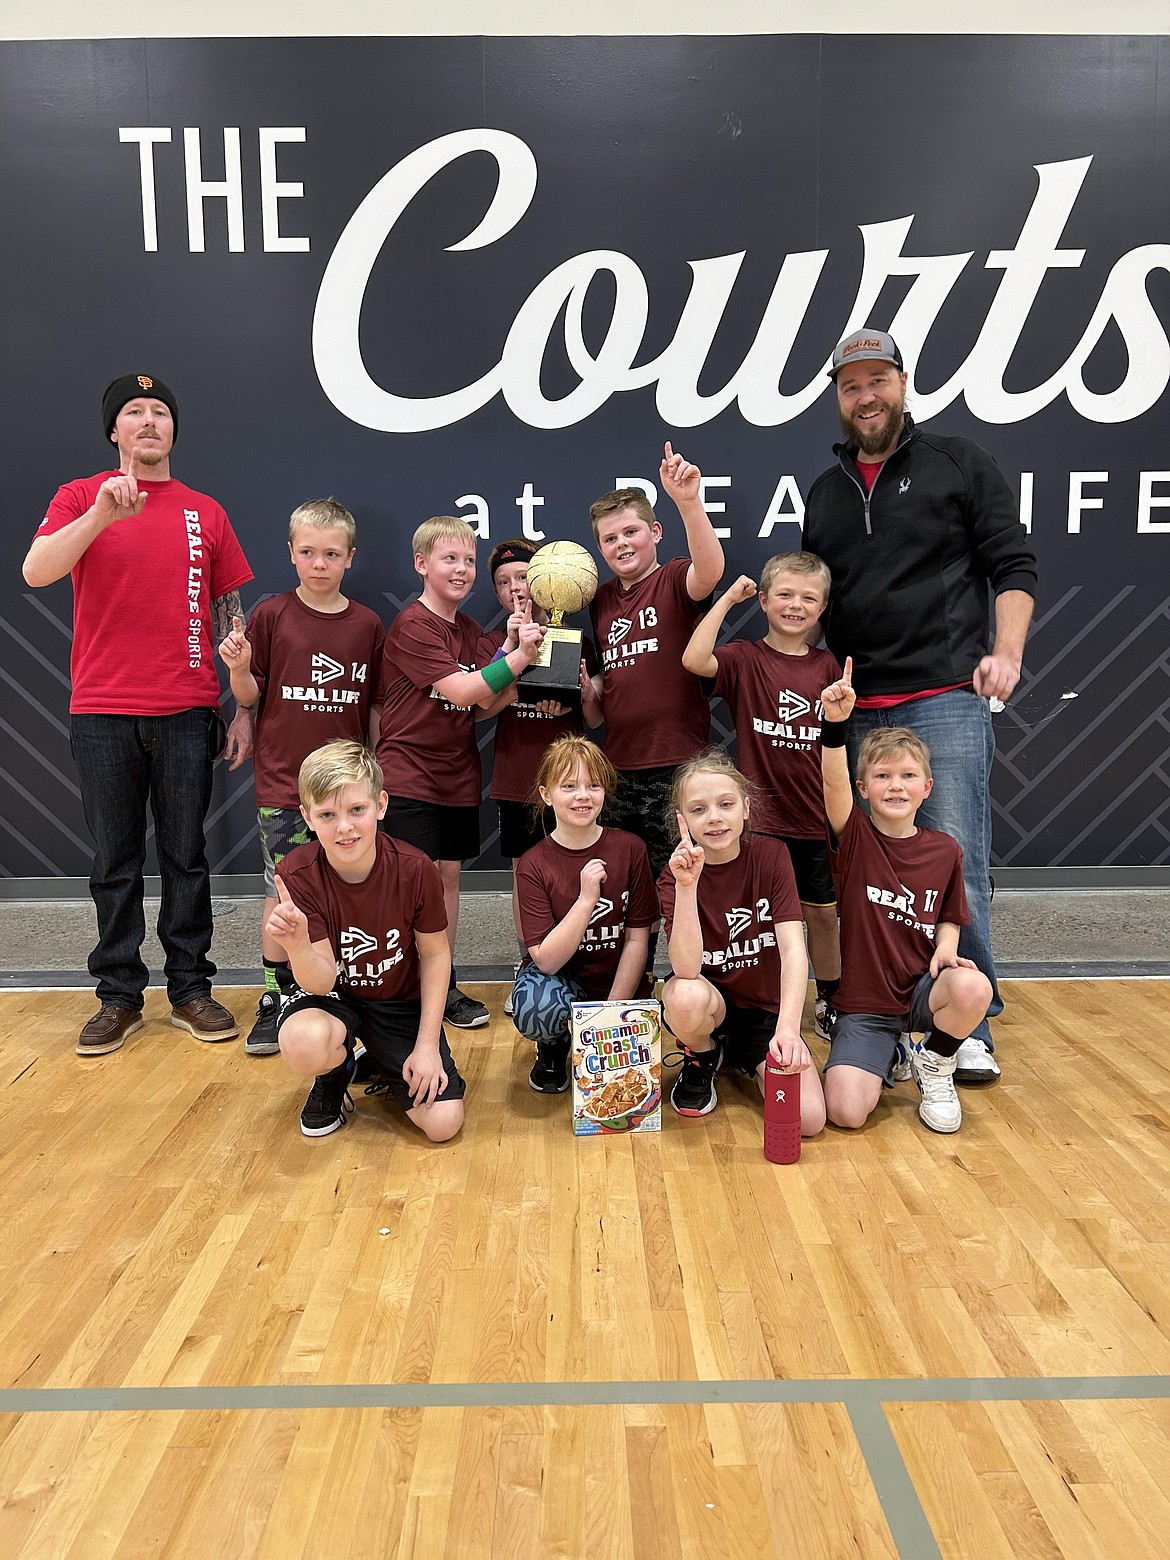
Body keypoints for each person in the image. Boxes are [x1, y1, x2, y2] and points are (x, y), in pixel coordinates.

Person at [802, 328, 1037, 1085]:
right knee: (858, 877)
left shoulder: (958, 462)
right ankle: (878, 1016)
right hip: (856, 707)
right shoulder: (825, 490)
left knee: (954, 871)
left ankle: (966, 1024)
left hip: (942, 702)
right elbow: (816, 601)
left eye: (877, 380)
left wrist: (1007, 654)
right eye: (850, 385)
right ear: (838, 397)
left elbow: (1013, 562)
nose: (865, 396)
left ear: (902, 382)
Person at [22, 374, 253, 1056]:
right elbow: (36, 571)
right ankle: (119, 996)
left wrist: (240, 705)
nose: (149, 421)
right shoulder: (78, 497)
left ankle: (190, 988)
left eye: (160, 412)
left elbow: (229, 612)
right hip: (101, 710)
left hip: (186, 709)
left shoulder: (204, 511)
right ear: (114, 432)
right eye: (134, 412)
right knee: (115, 861)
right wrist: (99, 515)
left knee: (187, 857)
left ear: (173, 430)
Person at [218, 497, 385, 1056]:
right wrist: (239, 670)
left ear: (350, 558)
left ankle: (334, 986)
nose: (319, 563)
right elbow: (250, 696)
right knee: (284, 889)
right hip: (287, 787)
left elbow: (376, 708)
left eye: (331, 554)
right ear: (291, 553)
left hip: (349, 792)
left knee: (343, 890)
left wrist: (374, 771)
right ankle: (277, 992)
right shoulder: (271, 616)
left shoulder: (367, 624)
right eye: (308, 552)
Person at [375, 516, 545, 1029]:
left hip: (457, 776)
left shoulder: (470, 631)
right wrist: (516, 663)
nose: (462, 569)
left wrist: (511, 653)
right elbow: (462, 691)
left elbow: (483, 704)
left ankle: (443, 987)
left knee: (447, 882)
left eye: (470, 561)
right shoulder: (414, 624)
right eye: (450, 559)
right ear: (422, 564)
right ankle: (404, 994)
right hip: (408, 774)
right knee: (416, 886)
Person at [818, 658, 993, 1133]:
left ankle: (935, 1062)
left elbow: (951, 914)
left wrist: (948, 950)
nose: (896, 785)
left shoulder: (945, 850)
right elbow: (832, 782)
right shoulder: (853, 838)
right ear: (864, 789)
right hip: (866, 1005)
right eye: (882, 777)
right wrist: (835, 725)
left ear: (927, 787)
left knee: (974, 987)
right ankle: (891, 1051)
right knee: (847, 1114)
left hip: (920, 992)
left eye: (908, 776)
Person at [265, 740, 465, 1140]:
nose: (345, 827)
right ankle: (335, 1074)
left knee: (444, 1124)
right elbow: (319, 983)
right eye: (327, 814)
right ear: (307, 816)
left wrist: (426, 1045)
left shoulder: (415, 868)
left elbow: (436, 953)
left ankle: (380, 1054)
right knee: (303, 1042)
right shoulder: (297, 873)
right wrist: (298, 945)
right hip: (332, 996)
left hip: (396, 1000)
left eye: (357, 809)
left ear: (381, 805)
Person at [682, 552, 842, 1043]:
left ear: (822, 608)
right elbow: (693, 659)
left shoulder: (827, 665)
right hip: (759, 823)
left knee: (820, 915)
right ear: (766, 600)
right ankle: (758, 1002)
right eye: (786, 595)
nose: (796, 605)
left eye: (809, 598)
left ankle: (831, 1000)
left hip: (813, 818)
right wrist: (729, 598)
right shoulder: (745, 658)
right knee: (760, 919)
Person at [658, 752, 826, 1136]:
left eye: (726, 804)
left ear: (746, 808)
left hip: (762, 1013)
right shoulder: (675, 874)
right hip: (709, 1006)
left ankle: (748, 1055)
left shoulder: (771, 856)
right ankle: (701, 1054)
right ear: (682, 820)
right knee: (684, 996)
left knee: (811, 1121)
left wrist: (787, 1029)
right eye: (699, 809)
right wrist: (687, 888)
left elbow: (793, 951)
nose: (714, 817)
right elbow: (686, 970)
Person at [587, 442, 725, 885]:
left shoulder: (674, 578)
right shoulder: (601, 600)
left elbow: (711, 570)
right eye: (610, 539)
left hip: (678, 763)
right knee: (631, 896)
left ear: (656, 532)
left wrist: (688, 502)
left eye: (631, 532)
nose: (621, 544)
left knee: (684, 887)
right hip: (619, 768)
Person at [483, 539, 602, 1015]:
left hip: (571, 786)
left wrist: (581, 689)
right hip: (517, 780)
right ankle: (529, 963)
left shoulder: (582, 643)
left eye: (522, 578)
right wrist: (513, 676)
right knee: (525, 876)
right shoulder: (500, 643)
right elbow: (479, 707)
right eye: (503, 582)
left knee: (578, 873)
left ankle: (581, 964)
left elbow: (593, 718)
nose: (515, 588)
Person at [511, 736, 659, 1093]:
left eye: (593, 785)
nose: (583, 796)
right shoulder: (533, 863)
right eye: (569, 786)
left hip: (618, 987)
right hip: (564, 986)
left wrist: (610, 1016)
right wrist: (586, 899)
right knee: (536, 1005)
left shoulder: (630, 849)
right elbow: (545, 960)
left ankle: (599, 1029)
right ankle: (554, 1045)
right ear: (547, 795)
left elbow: (639, 938)